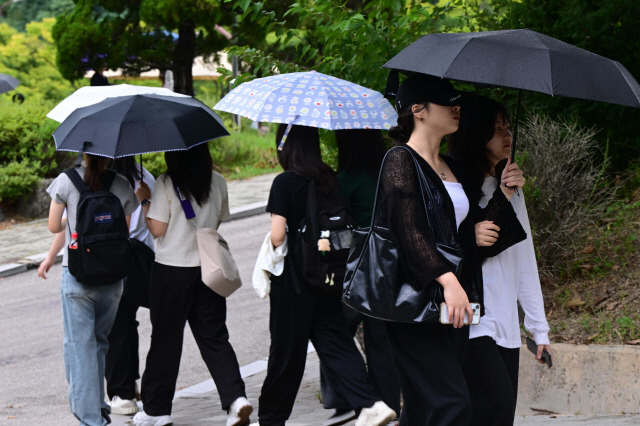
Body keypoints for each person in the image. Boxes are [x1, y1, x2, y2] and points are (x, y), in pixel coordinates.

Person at [380, 74, 524, 425]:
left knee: (422, 408)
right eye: (448, 103)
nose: (456, 108)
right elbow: (409, 232)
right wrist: (448, 281)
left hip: (455, 306)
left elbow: (474, 239)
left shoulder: (452, 167)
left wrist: (503, 195)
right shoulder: (400, 161)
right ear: (419, 110)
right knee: (452, 404)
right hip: (416, 303)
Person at [257, 124, 396, 426]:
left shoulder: (285, 182)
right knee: (334, 342)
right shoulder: (328, 177)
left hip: (294, 281)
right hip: (327, 277)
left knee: (285, 353)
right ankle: (370, 404)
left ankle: (271, 418)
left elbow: (278, 236)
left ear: (286, 146)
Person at [448, 94, 551, 425]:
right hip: (471, 319)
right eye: (496, 128)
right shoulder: (454, 185)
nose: (507, 135)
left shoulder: (512, 186)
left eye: (507, 126)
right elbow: (463, 244)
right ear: (475, 132)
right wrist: (502, 196)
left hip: (506, 324)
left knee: (500, 413)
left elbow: (525, 261)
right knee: (493, 405)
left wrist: (538, 328)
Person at [133, 143, 252, 426]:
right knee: (215, 338)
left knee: (166, 341)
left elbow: (157, 229)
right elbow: (217, 222)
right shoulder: (218, 181)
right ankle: (236, 400)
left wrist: (144, 200)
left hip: (172, 271)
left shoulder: (166, 182)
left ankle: (157, 411)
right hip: (209, 271)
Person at [45, 152, 138, 426]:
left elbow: (53, 227)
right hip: (112, 278)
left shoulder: (66, 180)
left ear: (83, 154)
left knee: (80, 346)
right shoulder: (120, 183)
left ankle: (91, 419)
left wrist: (71, 221)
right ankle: (98, 406)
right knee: (99, 342)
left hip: (77, 275)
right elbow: (126, 229)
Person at [319, 129, 401, 426]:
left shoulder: (346, 180)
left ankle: (344, 397)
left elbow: (339, 224)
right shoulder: (387, 171)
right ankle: (389, 403)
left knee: (333, 331)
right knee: (380, 338)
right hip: (389, 264)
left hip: (357, 269)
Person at [104, 157, 155, 415]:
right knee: (130, 323)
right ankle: (133, 384)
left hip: (114, 262)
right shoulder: (145, 177)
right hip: (144, 263)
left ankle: (121, 393)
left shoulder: (103, 181)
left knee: (117, 327)